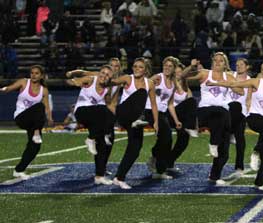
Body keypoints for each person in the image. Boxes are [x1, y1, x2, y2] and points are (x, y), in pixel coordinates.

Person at [207, 59, 263, 191]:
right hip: (254, 118)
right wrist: (215, 82)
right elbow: (234, 83)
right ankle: (256, 152)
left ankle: (259, 182)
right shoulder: (256, 82)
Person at [183, 52, 242, 185]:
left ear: (225, 64)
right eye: (215, 60)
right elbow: (184, 78)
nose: (217, 63)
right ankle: (211, 140)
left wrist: (221, 84)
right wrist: (191, 67)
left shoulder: (229, 76)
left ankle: (214, 176)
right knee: (219, 112)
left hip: (222, 115)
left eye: (221, 61)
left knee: (224, 153)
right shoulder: (204, 73)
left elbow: (241, 91)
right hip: (206, 110)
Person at [109, 57, 159, 189]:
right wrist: (97, 78)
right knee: (141, 92)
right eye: (135, 66)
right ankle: (138, 118)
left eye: (140, 67)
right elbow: (111, 82)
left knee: (135, 149)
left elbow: (153, 105)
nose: (137, 69)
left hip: (136, 121)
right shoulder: (127, 78)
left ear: (146, 70)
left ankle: (119, 177)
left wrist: (156, 123)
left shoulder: (150, 83)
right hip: (124, 113)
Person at [0, 65, 53, 180]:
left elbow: (47, 107)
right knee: (39, 107)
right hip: (21, 117)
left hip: (33, 122)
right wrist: (3, 89)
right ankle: (36, 132)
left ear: (41, 76)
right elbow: (9, 88)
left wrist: (50, 119)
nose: (33, 75)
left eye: (36, 73)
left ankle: (19, 170)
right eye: (32, 73)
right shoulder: (24, 82)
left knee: (35, 146)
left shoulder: (44, 90)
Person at [66, 65, 114, 185]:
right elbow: (75, 78)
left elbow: (108, 106)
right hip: (82, 112)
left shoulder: (106, 90)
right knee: (103, 110)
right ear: (99, 72)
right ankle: (90, 138)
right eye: (102, 72)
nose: (104, 76)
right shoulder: (91, 79)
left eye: (107, 75)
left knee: (102, 145)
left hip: (95, 117)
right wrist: (73, 80)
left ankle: (99, 176)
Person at [143, 56, 180, 179]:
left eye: (170, 66)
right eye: (165, 65)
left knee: (166, 139)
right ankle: (159, 171)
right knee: (166, 137)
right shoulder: (158, 77)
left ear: (174, 68)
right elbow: (143, 86)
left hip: (162, 113)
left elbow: (170, 104)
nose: (167, 68)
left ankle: (154, 157)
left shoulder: (174, 83)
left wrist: (176, 120)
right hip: (151, 110)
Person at [165, 61, 199, 172]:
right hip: (170, 114)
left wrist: (196, 125)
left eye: (180, 72)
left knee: (184, 141)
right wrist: (191, 66)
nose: (179, 74)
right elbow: (183, 75)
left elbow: (192, 109)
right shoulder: (170, 83)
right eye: (177, 72)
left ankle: (169, 162)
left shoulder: (186, 88)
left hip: (181, 118)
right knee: (191, 101)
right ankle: (159, 159)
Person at [227, 58, 251, 177]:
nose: (239, 66)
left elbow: (248, 99)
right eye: (237, 65)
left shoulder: (250, 81)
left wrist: (247, 114)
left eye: (241, 65)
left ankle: (239, 167)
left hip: (241, 114)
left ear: (247, 67)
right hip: (226, 110)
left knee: (240, 140)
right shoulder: (230, 76)